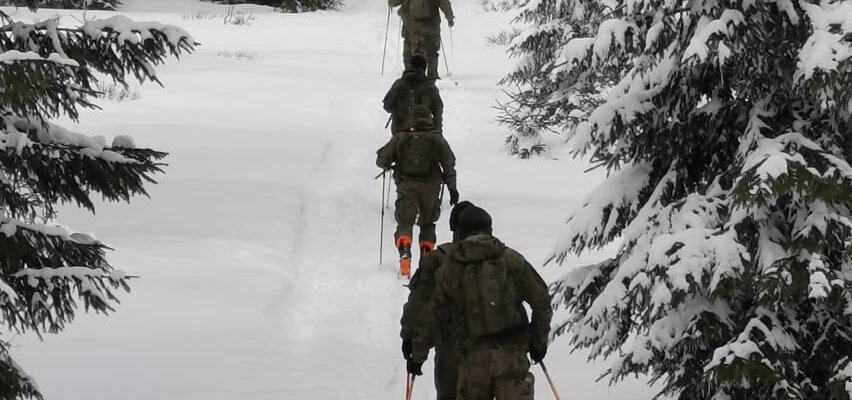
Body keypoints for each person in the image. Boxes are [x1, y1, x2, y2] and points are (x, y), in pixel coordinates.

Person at [406, 206, 553, 400]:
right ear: (489, 230)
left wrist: (418, 354)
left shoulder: (450, 266)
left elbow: (430, 312)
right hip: (512, 357)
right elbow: (542, 301)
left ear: (458, 232)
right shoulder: (512, 260)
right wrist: (538, 342)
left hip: (471, 361)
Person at [400, 201, 474, 400]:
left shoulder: (439, 259)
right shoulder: (503, 258)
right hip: (498, 353)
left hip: (450, 349)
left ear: (454, 228)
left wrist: (412, 344)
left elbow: (420, 306)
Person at [376, 104, 459, 278]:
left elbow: (382, 160)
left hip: (407, 185)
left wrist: (390, 163)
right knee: (427, 223)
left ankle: (405, 258)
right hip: (431, 186)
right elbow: (449, 163)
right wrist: (452, 188)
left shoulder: (401, 137)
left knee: (405, 222)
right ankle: (426, 260)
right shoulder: (437, 139)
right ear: (430, 118)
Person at [388, 0, 454, 79]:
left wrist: (391, 3)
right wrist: (449, 16)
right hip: (429, 24)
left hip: (411, 24)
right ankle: (432, 76)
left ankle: (409, 74)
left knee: (409, 49)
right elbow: (444, 2)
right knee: (431, 50)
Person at [383, 54, 444, 135]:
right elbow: (438, 110)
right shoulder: (430, 87)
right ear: (424, 69)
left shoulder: (399, 84)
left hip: (400, 131)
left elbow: (387, 106)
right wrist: (437, 130)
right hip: (424, 131)